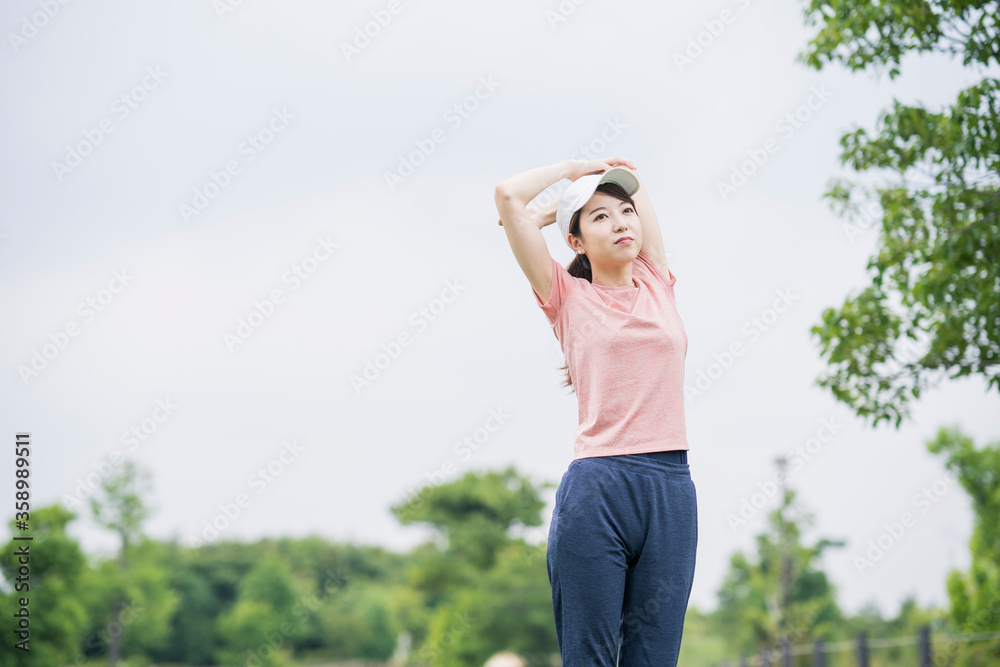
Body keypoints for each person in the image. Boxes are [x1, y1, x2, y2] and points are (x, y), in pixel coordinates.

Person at [493, 157, 698, 666]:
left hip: (671, 491)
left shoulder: (656, 280)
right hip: (598, 492)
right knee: (590, 658)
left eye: (624, 212)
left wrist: (576, 202)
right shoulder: (565, 297)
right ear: (577, 242)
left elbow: (631, 174)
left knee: (654, 659)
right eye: (599, 217)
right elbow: (507, 198)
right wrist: (573, 171)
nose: (621, 222)